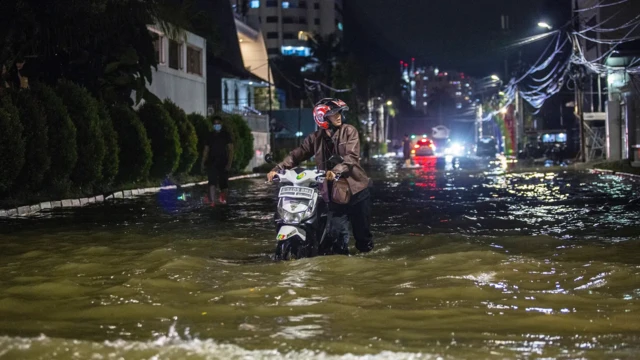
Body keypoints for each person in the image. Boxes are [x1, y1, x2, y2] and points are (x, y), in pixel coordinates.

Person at [267, 98, 373, 255]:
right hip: (334, 195)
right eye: (333, 114)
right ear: (322, 118)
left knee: (363, 237)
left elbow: (351, 157)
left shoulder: (349, 131)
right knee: (336, 236)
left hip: (357, 190)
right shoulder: (314, 138)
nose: (338, 116)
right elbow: (297, 155)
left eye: (339, 113)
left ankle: (367, 262)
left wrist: (336, 170)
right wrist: (278, 169)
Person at [201, 116, 233, 206]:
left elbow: (231, 150)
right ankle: (212, 202)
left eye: (218, 123)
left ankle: (224, 202)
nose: (216, 125)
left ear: (221, 124)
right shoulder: (210, 136)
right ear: (213, 125)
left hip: (223, 162)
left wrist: (229, 163)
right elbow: (206, 150)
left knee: (224, 184)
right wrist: (203, 162)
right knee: (212, 182)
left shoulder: (226, 135)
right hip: (212, 162)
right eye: (215, 124)